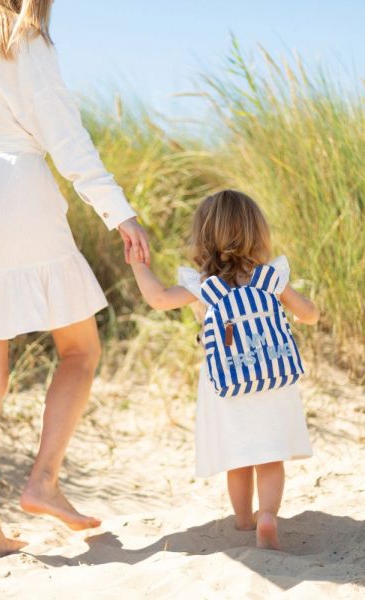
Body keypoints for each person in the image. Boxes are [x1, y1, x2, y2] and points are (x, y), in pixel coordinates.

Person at [0, 0, 150, 560]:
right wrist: (119, 212)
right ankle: (42, 479)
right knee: (80, 350)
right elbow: (67, 139)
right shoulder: (23, 35)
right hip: (18, 195)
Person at [129, 189, 318, 550]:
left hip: (226, 381)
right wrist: (299, 311)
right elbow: (309, 314)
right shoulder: (269, 278)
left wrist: (138, 263)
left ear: (202, 237)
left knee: (240, 455)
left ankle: (244, 519)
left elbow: (157, 300)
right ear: (257, 233)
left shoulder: (202, 285)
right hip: (273, 377)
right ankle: (268, 516)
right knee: (270, 455)